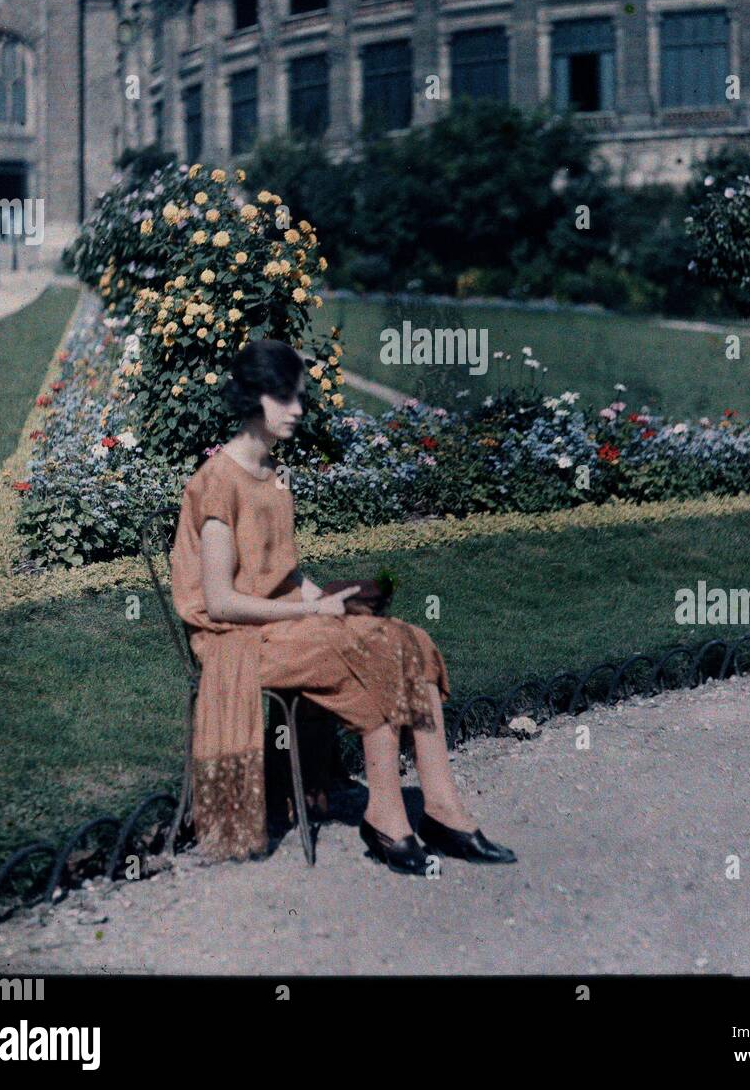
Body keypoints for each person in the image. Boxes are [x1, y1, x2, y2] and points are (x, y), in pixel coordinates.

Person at [170, 339, 516, 875]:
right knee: (372, 651)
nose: (297, 411)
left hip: (278, 622)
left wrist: (324, 598)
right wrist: (310, 614)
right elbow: (220, 603)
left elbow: (279, 574)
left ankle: (444, 809)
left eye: (299, 398)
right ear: (250, 398)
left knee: (410, 642)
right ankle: (386, 818)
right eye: (283, 398)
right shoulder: (218, 483)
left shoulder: (274, 477)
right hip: (236, 639)